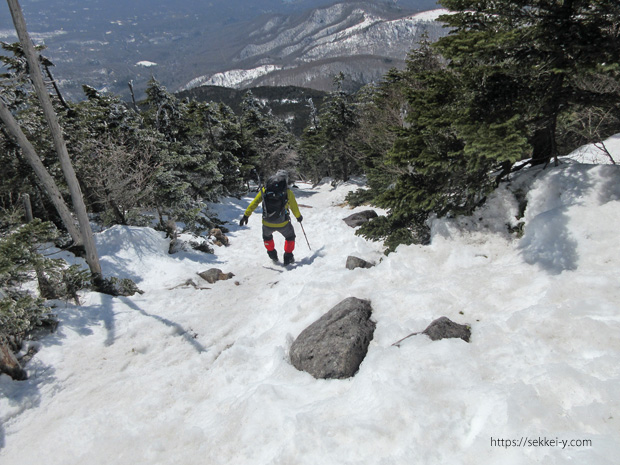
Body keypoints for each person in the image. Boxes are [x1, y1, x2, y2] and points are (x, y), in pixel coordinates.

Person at [240, 170, 303, 265]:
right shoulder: (287, 192)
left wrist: (246, 215)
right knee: (290, 236)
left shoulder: (265, 190)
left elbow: (254, 203)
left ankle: (272, 253)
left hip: (267, 222)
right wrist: (298, 217)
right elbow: (294, 207)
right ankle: (288, 256)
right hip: (283, 223)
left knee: (267, 237)